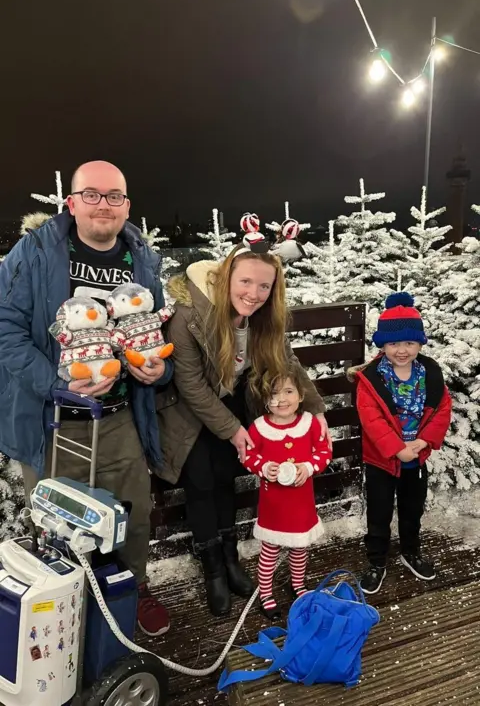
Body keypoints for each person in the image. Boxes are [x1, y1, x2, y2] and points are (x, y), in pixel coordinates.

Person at [0, 161, 173, 636]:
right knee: (59, 525)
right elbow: (6, 330)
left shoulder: (143, 260)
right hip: (50, 419)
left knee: (132, 513)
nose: (104, 205)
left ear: (127, 206)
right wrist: (56, 379)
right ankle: (66, 613)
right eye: (91, 195)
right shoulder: (33, 254)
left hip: (119, 417)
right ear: (71, 203)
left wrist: (157, 366)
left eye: (114, 196)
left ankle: (130, 590)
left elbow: (150, 330)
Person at [156, 227, 331, 616]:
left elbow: (287, 363)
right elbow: (190, 384)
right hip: (189, 412)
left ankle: (232, 560)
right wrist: (233, 430)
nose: (254, 293)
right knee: (201, 482)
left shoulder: (264, 321)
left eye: (264, 286)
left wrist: (316, 411)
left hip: (235, 403)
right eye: (246, 282)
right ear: (226, 278)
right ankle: (213, 570)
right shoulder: (189, 317)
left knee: (226, 479)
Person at [350, 293, 452, 595]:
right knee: (379, 512)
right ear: (383, 345)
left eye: (409, 343)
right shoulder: (372, 379)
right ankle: (376, 561)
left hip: (417, 456)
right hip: (382, 459)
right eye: (394, 344)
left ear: (419, 343)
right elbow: (372, 420)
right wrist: (397, 448)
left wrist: (423, 441)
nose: (402, 350)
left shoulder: (430, 374)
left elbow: (442, 408)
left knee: (412, 509)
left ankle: (411, 551)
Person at [242, 367, 332, 619]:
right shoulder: (259, 428)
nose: (281, 400)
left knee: (299, 548)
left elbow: (323, 452)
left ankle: (298, 584)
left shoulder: (310, 424)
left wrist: (308, 466)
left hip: (301, 505)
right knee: (269, 551)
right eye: (273, 394)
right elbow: (248, 455)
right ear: (264, 399)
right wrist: (263, 467)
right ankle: (266, 592)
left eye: (288, 391)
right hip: (274, 506)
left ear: (301, 395)